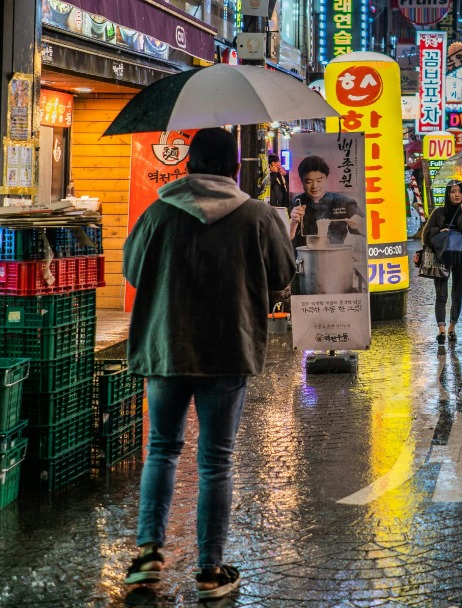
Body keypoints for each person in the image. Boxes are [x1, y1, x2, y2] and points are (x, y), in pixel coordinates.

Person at [122, 128, 295, 600]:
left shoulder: (158, 212)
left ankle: (147, 554)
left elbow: (133, 269)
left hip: (166, 348)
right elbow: (283, 274)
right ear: (236, 168)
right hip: (227, 349)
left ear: (187, 165)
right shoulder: (258, 216)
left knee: (162, 448)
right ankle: (210, 570)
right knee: (216, 460)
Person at [422, 180, 462, 342]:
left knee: (457, 294)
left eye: (459, 191)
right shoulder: (440, 212)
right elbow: (426, 235)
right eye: (453, 191)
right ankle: (441, 330)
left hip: (461, 257)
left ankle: (452, 327)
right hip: (441, 257)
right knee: (441, 294)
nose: (456, 194)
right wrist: (439, 230)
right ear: (448, 194)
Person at [288, 155, 364, 246]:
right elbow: (281, 242)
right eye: (308, 182)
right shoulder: (293, 204)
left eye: (319, 181)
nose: (314, 186)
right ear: (302, 181)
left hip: (336, 256)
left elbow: (369, 232)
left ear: (326, 178)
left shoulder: (343, 202)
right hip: (303, 257)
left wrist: (360, 224)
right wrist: (293, 224)